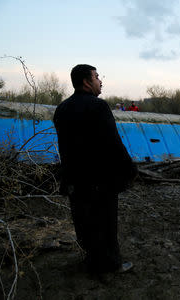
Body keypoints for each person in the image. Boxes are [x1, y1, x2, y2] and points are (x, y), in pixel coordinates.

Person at [53, 64, 138, 274]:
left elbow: (64, 147)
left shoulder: (62, 109)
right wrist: (130, 168)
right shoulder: (98, 106)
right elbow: (113, 143)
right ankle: (111, 264)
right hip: (100, 180)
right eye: (97, 77)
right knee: (106, 223)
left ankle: (91, 261)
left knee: (84, 223)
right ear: (86, 81)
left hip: (75, 179)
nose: (101, 81)